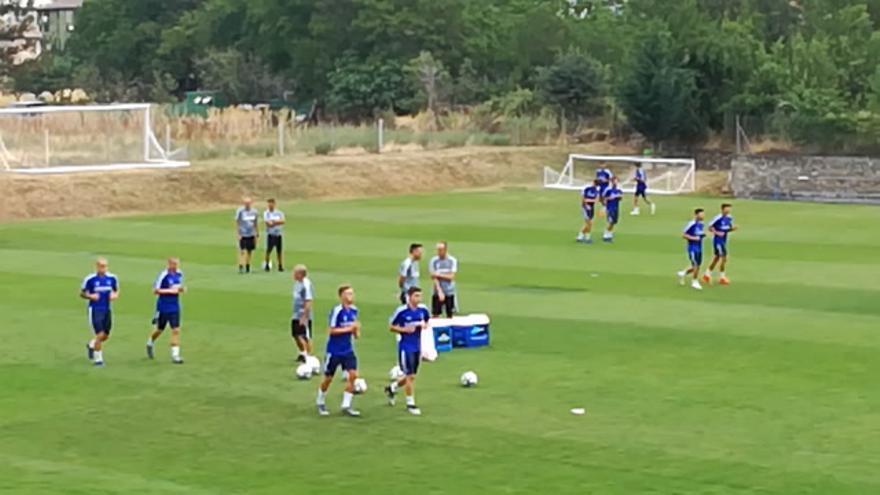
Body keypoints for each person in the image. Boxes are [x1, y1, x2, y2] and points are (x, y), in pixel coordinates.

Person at [316, 284, 362, 417]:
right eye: (348, 294)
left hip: (347, 350)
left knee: (353, 375)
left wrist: (356, 331)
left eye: (352, 293)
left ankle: (346, 405)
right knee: (328, 378)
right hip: (334, 351)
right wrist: (349, 329)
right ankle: (320, 401)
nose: (351, 296)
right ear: (341, 296)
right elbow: (331, 331)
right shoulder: (337, 311)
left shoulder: (354, 310)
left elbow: (355, 332)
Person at [384, 287, 431, 416]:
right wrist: (405, 330)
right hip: (405, 347)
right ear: (409, 297)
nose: (418, 299)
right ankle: (410, 404)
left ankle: (392, 388)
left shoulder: (423, 310)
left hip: (417, 347)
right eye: (416, 296)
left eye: (420, 296)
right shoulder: (402, 311)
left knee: (411, 376)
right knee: (409, 376)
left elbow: (427, 321)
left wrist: (424, 326)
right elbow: (391, 327)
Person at [80, 257, 119, 366]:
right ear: (97, 266)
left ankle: (91, 344)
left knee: (105, 335)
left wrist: (114, 295)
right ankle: (98, 360)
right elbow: (82, 293)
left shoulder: (112, 278)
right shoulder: (90, 279)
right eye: (101, 266)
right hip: (95, 310)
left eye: (105, 266)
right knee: (99, 333)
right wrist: (90, 296)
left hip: (107, 309)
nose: (103, 268)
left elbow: (116, 291)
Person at [146, 257, 185, 364]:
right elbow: (155, 290)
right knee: (159, 329)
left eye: (177, 264)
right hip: (163, 307)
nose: (176, 266)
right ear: (169, 264)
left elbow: (177, 286)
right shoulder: (163, 275)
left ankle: (175, 355)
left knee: (176, 330)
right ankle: (150, 342)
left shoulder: (179, 274)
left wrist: (181, 289)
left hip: (175, 306)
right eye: (174, 264)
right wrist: (171, 291)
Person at [704, 203, 737, 285]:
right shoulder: (718, 218)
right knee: (724, 258)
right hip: (718, 241)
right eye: (727, 209)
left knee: (717, 258)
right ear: (722, 209)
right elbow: (710, 228)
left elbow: (727, 229)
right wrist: (717, 232)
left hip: (724, 240)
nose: (728, 210)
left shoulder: (729, 218)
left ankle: (706, 275)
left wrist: (732, 229)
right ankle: (722, 278)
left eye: (729, 209)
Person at [678, 209, 706, 290]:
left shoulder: (701, 224)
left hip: (700, 247)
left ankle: (683, 273)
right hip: (692, 248)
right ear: (696, 215)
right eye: (701, 214)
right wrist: (694, 238)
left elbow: (698, 234)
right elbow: (684, 235)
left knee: (697, 265)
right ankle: (694, 282)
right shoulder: (691, 224)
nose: (703, 216)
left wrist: (702, 235)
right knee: (696, 265)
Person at [291, 264, 314, 363]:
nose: (293, 274)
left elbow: (308, 301)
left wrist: (304, 316)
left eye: (295, 272)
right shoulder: (297, 283)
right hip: (296, 314)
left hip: (303, 315)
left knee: (303, 336)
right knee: (295, 334)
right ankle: (302, 353)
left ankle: (308, 357)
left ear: (300, 274)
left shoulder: (306, 284)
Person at [429, 241, 458, 317]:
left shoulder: (452, 260)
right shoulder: (434, 261)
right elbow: (433, 277)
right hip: (437, 292)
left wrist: (439, 274)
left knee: (450, 315)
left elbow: (451, 277)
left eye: (440, 250)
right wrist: (439, 291)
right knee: (435, 315)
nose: (438, 252)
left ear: (445, 250)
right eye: (437, 250)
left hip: (449, 291)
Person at [234, 197, 260, 274]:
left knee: (250, 251)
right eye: (246, 203)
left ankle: (248, 265)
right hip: (243, 234)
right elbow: (237, 222)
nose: (247, 205)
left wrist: (257, 232)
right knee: (242, 250)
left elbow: (255, 222)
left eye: (248, 203)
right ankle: (241, 265)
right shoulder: (240, 211)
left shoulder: (254, 211)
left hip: (251, 233)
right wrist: (238, 233)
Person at [262, 198, 285, 272]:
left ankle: (280, 265)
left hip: (278, 234)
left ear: (274, 204)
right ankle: (267, 265)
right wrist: (276, 222)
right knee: (268, 251)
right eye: (269, 203)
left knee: (279, 251)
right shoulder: (266, 213)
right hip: (271, 234)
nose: (270, 205)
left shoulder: (279, 213)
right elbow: (268, 223)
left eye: (271, 203)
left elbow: (283, 221)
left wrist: (274, 221)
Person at [576, 180, 600, 244]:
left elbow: (596, 200)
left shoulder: (596, 191)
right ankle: (587, 238)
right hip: (585, 208)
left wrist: (590, 200)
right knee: (589, 223)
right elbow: (583, 199)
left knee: (590, 223)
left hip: (591, 208)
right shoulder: (587, 188)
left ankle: (580, 236)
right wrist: (586, 205)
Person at [602, 176, 623, 243]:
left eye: (617, 181)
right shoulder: (608, 189)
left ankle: (610, 234)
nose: (616, 182)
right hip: (610, 207)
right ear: (612, 181)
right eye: (615, 180)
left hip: (616, 207)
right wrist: (608, 200)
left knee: (614, 222)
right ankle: (606, 235)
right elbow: (604, 198)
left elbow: (621, 198)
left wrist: (618, 196)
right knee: (610, 221)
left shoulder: (618, 189)